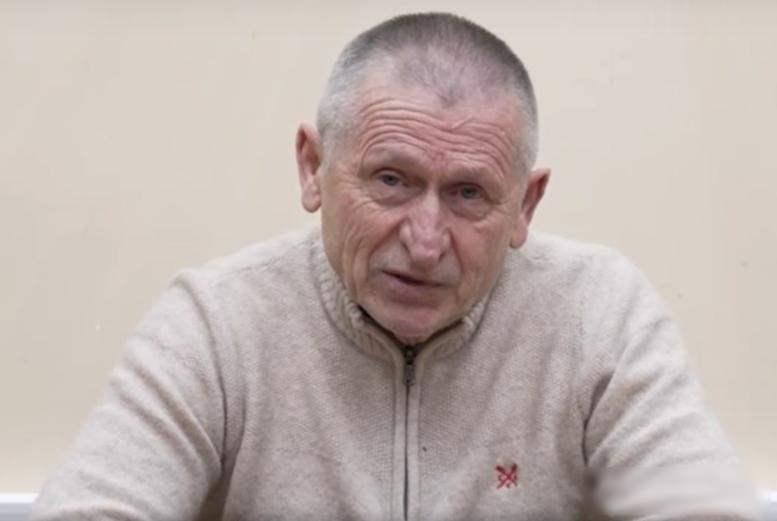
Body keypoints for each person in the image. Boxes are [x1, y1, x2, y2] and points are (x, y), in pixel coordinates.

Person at [31, 12, 759, 521]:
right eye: (390, 180)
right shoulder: (217, 323)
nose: (425, 239)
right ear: (313, 167)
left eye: (468, 194)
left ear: (525, 206)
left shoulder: (598, 315)